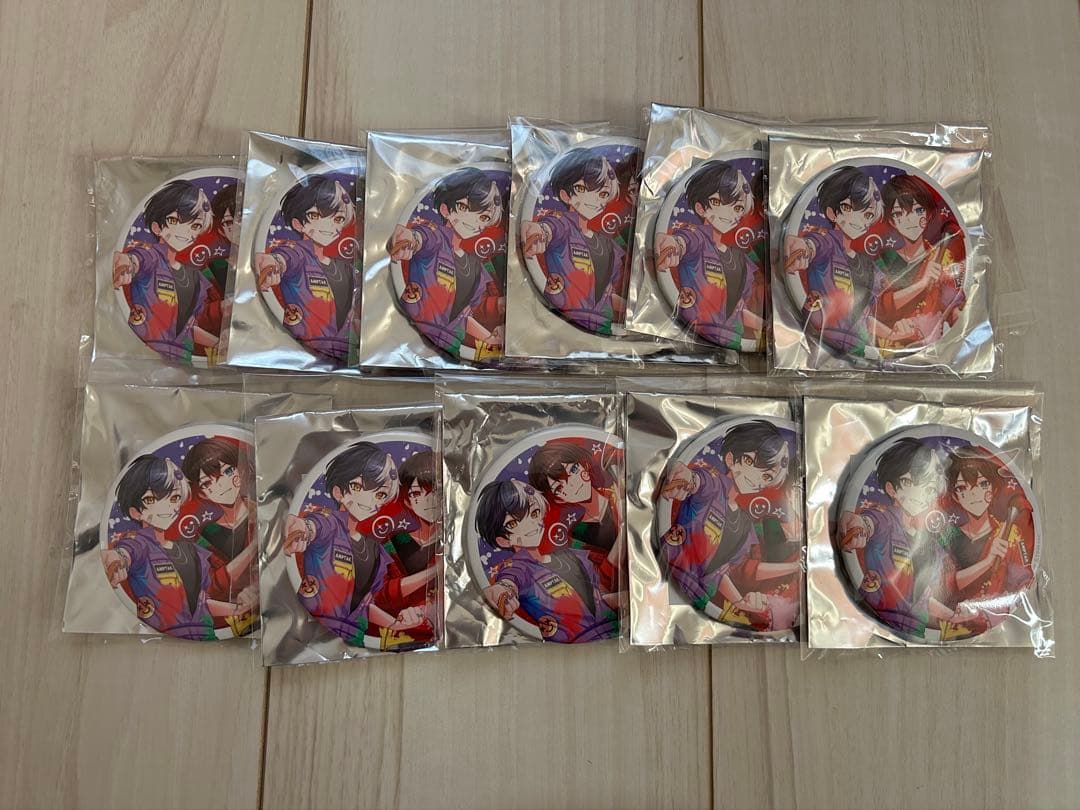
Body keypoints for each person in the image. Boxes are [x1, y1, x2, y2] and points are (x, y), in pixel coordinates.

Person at [283, 442, 434, 646]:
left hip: (352, 636)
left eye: (380, 494)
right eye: (358, 487)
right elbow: (313, 526)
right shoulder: (330, 525)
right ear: (339, 493)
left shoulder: (375, 549)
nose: (372, 501)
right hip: (310, 629)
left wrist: (394, 625)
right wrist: (301, 529)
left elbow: (365, 603)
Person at [659, 421, 800, 630]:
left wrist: (738, 602)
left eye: (767, 477)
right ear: (732, 460)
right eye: (751, 462)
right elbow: (698, 481)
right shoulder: (714, 486)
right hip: (664, 576)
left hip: (696, 598)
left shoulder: (745, 524)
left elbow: (721, 571)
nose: (759, 481)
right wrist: (686, 478)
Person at [101, 455, 256, 640]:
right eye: (151, 499)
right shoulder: (140, 544)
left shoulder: (191, 550)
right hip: (168, 641)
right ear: (135, 512)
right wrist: (117, 560)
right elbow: (125, 552)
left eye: (174, 497)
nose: (167, 506)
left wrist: (238, 609)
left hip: (207, 638)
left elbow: (201, 602)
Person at [784, 167, 916, 355]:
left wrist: (891, 335)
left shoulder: (867, 265)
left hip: (860, 347)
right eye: (848, 208)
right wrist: (802, 249)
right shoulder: (829, 243)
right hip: (821, 340)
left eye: (868, 214)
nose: (861, 219)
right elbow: (813, 245)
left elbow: (865, 316)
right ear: (832, 213)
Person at [838, 438, 963, 637]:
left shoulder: (930, 544)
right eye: (911, 482)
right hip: (868, 623)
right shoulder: (886, 520)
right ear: (892, 489)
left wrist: (953, 616)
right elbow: (870, 522)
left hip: (914, 633)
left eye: (930, 488)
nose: (924, 494)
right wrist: (859, 526)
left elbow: (920, 599)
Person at [476, 479, 619, 642]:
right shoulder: (520, 568)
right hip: (574, 647)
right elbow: (509, 580)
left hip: (614, 636)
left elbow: (600, 596)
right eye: (513, 523)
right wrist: (501, 591)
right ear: (503, 540)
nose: (530, 524)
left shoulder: (574, 556)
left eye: (534, 513)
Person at [388, 168, 507, 356]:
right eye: (464, 208)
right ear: (445, 210)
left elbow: (464, 315)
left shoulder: (475, 266)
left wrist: (488, 339)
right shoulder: (436, 238)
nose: (476, 222)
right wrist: (409, 240)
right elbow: (421, 237)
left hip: (450, 347)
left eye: (484, 217)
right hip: (405, 337)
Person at [520, 147, 636, 334]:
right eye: (582, 189)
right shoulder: (564, 225)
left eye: (603, 194)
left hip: (603, 329)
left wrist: (637, 315)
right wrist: (540, 233)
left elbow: (604, 296)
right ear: (566, 195)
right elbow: (550, 227)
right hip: (558, 325)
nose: (595, 199)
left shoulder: (608, 246)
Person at [655, 161, 766, 348]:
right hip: (691, 337)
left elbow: (737, 311)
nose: (730, 214)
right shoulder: (698, 238)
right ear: (701, 208)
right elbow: (684, 241)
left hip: (735, 342)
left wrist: (770, 330)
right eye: (718, 202)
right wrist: (674, 245)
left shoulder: (740, 259)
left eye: (738, 208)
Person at [112, 180, 223, 361]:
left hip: (182, 358)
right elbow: (138, 259)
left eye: (195, 226)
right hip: (141, 353)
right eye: (175, 221)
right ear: (157, 227)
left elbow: (187, 327)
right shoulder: (153, 257)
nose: (185, 231)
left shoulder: (194, 277)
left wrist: (217, 344)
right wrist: (127, 263)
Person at [255, 174, 358, 363]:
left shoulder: (345, 268)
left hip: (343, 357)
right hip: (300, 353)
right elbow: (285, 257)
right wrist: (273, 263)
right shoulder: (298, 254)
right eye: (315, 216)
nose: (328, 225)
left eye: (338, 218)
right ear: (298, 224)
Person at [937, 447, 1034, 635]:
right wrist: (988, 562)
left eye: (982, 484)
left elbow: (1022, 583)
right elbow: (946, 586)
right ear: (955, 496)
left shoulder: (1009, 535)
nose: (974, 494)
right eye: (963, 488)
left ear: (993, 489)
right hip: (948, 629)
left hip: (996, 629)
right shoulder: (948, 537)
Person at [875, 174, 966, 346]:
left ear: (928, 214)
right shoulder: (885, 259)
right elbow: (876, 308)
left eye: (918, 211)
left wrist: (958, 316)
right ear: (892, 221)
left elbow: (953, 304)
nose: (910, 220)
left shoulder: (940, 258)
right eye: (899, 213)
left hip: (930, 348)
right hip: (888, 348)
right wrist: (921, 284)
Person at [181, 437, 258, 625]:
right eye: (208, 483)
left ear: (241, 471)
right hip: (233, 622)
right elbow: (209, 587)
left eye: (228, 472)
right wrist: (254, 546)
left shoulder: (265, 514)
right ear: (202, 492)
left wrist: (257, 588)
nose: (222, 485)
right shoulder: (204, 535)